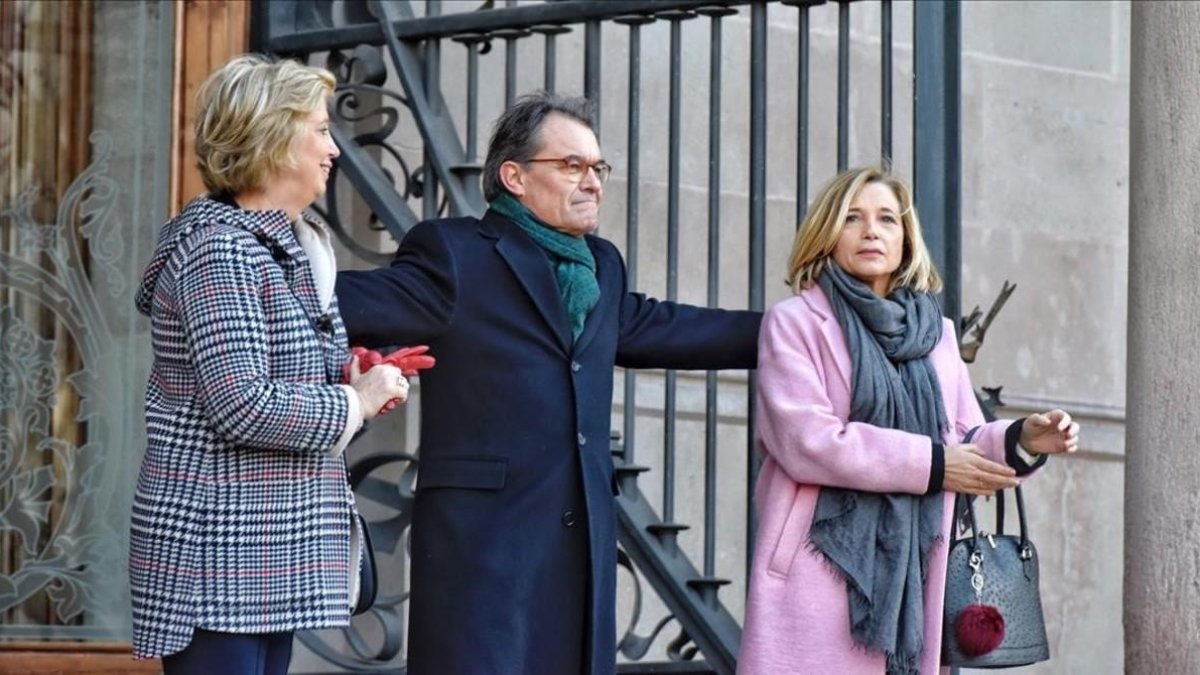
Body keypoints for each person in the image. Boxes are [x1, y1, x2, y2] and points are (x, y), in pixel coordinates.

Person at [334, 92, 762, 675]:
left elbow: (667, 326)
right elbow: (341, 303)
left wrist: (800, 330)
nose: (593, 182)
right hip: (483, 555)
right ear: (513, 176)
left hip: (578, 550)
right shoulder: (456, 254)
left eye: (597, 168)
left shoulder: (601, 266)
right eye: (572, 166)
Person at [737, 166, 1080, 674]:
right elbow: (806, 440)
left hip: (918, 569)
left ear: (906, 238)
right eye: (852, 217)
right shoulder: (794, 323)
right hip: (820, 565)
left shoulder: (937, 335)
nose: (871, 230)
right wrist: (934, 466)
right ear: (827, 234)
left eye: (886, 219)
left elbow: (962, 438)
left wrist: (1022, 440)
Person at [129, 55, 410, 674]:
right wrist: (354, 403)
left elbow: (270, 379)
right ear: (272, 135)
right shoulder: (220, 251)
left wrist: (349, 375)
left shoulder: (287, 243)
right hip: (217, 557)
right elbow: (242, 404)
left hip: (261, 555)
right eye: (318, 129)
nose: (333, 149)